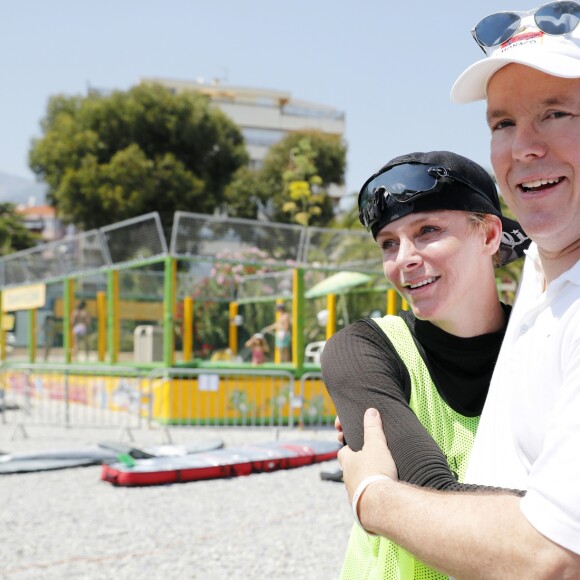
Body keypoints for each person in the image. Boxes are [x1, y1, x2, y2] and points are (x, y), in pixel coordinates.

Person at [337, 3, 580, 577]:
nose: (524, 146)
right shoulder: (543, 282)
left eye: (556, 113)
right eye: (502, 123)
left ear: (491, 235)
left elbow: (548, 554)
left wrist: (373, 492)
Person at [321, 150, 529, 579]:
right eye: (388, 244)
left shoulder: (548, 342)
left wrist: (376, 496)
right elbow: (431, 492)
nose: (404, 259)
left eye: (428, 230)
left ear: (489, 235)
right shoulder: (361, 351)